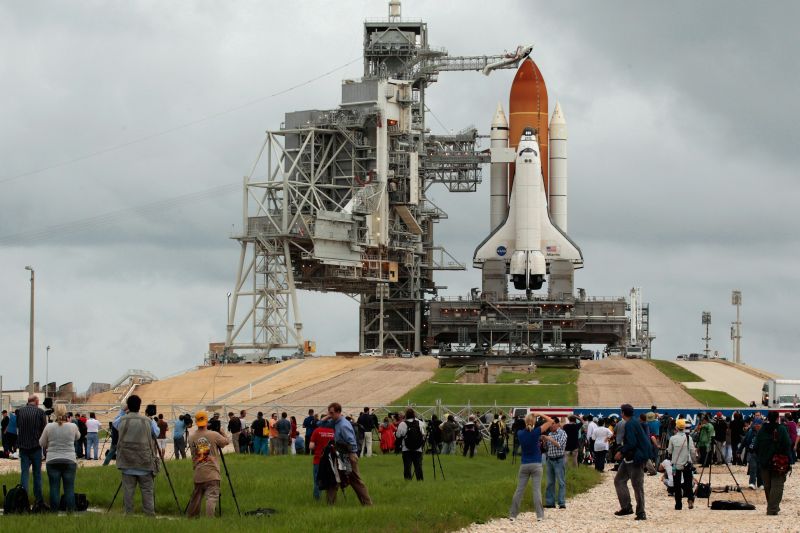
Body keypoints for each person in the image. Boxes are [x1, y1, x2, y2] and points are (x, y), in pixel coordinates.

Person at [113, 394, 159, 516]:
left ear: (128, 406)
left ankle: (129, 515)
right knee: (147, 492)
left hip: (127, 462)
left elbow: (115, 423)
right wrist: (150, 418)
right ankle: (149, 516)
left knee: (128, 493)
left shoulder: (121, 421)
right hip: (145, 463)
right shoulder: (148, 421)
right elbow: (157, 433)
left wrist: (123, 411)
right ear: (139, 406)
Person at [324, 402, 372, 505]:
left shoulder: (343, 425)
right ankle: (330, 505)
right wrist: (327, 417)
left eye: (331, 413)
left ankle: (367, 504)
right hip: (339, 455)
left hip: (347, 456)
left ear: (338, 412)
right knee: (333, 479)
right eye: (329, 413)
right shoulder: (336, 422)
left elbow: (351, 442)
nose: (330, 415)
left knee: (355, 480)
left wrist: (351, 456)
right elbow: (319, 424)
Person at [508, 413, 554, 522]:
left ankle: (513, 515)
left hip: (524, 464)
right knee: (536, 490)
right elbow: (550, 421)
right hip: (536, 464)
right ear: (534, 421)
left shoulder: (520, 433)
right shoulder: (536, 431)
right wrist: (540, 414)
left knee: (519, 490)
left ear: (525, 421)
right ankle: (539, 516)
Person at [186, 410, 229, 518]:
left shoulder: (191, 438)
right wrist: (221, 431)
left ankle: (191, 519)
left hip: (198, 472)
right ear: (207, 422)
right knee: (212, 497)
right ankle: (210, 520)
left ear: (196, 422)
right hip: (212, 473)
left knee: (196, 497)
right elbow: (226, 442)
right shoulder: (213, 434)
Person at [613, 404, 651, 521]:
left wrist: (621, 451)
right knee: (619, 480)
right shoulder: (634, 422)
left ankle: (641, 512)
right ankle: (626, 507)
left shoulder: (630, 424)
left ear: (623, 413)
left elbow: (632, 443)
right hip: (630, 457)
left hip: (635, 458)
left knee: (637, 485)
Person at [39, 404, 79, 512]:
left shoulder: (49, 427)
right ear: (66, 413)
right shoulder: (72, 426)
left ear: (54, 413)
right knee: (69, 489)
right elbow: (78, 437)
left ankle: (54, 513)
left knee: (54, 488)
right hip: (69, 459)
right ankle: (70, 512)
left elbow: (41, 442)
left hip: (52, 460)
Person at [754, 410, 792, 515]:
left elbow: (756, 446)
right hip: (778, 461)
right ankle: (772, 508)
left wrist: (761, 456)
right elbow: (787, 443)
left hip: (764, 461)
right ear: (777, 418)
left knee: (767, 486)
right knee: (777, 485)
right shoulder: (781, 429)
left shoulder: (762, 430)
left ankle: (772, 505)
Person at [17, 394, 47, 506]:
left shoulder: (20, 411)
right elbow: (44, 429)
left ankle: (23, 500)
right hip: (36, 446)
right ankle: (38, 500)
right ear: (36, 401)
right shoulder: (40, 412)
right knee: (37, 474)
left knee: (24, 473)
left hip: (23, 447)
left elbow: (19, 426)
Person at [667, 419, 696, 510]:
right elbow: (692, 451)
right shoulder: (688, 438)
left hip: (676, 464)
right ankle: (690, 499)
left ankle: (678, 504)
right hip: (686, 464)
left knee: (677, 485)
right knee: (688, 483)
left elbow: (670, 451)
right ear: (684, 428)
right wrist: (693, 461)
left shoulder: (672, 438)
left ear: (676, 427)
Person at [543, 416, 568, 509]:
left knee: (561, 482)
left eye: (552, 423)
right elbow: (547, 448)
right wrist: (545, 441)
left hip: (559, 460)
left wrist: (549, 439)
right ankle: (550, 502)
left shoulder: (563, 433)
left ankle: (561, 503)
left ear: (558, 424)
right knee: (550, 482)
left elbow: (559, 445)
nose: (551, 426)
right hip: (550, 460)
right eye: (550, 424)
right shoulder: (549, 433)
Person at [395, 408, 426, 481]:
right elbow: (423, 434)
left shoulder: (403, 424)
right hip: (418, 448)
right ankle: (420, 481)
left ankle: (407, 481)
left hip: (406, 448)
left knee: (407, 467)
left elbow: (398, 435)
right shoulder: (419, 423)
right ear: (414, 414)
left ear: (406, 415)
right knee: (418, 467)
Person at [309, 421, 335, 500]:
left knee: (317, 480)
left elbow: (311, 446)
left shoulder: (317, 430)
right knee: (330, 479)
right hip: (331, 460)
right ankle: (330, 499)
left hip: (319, 458)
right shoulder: (333, 431)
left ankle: (317, 498)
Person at [740, 418, 763, 489]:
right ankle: (752, 483)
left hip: (761, 453)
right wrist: (739, 450)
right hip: (752, 452)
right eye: (756, 425)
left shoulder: (764, 432)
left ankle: (761, 484)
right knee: (753, 468)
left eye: (759, 425)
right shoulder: (750, 432)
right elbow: (744, 441)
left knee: (760, 469)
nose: (757, 426)